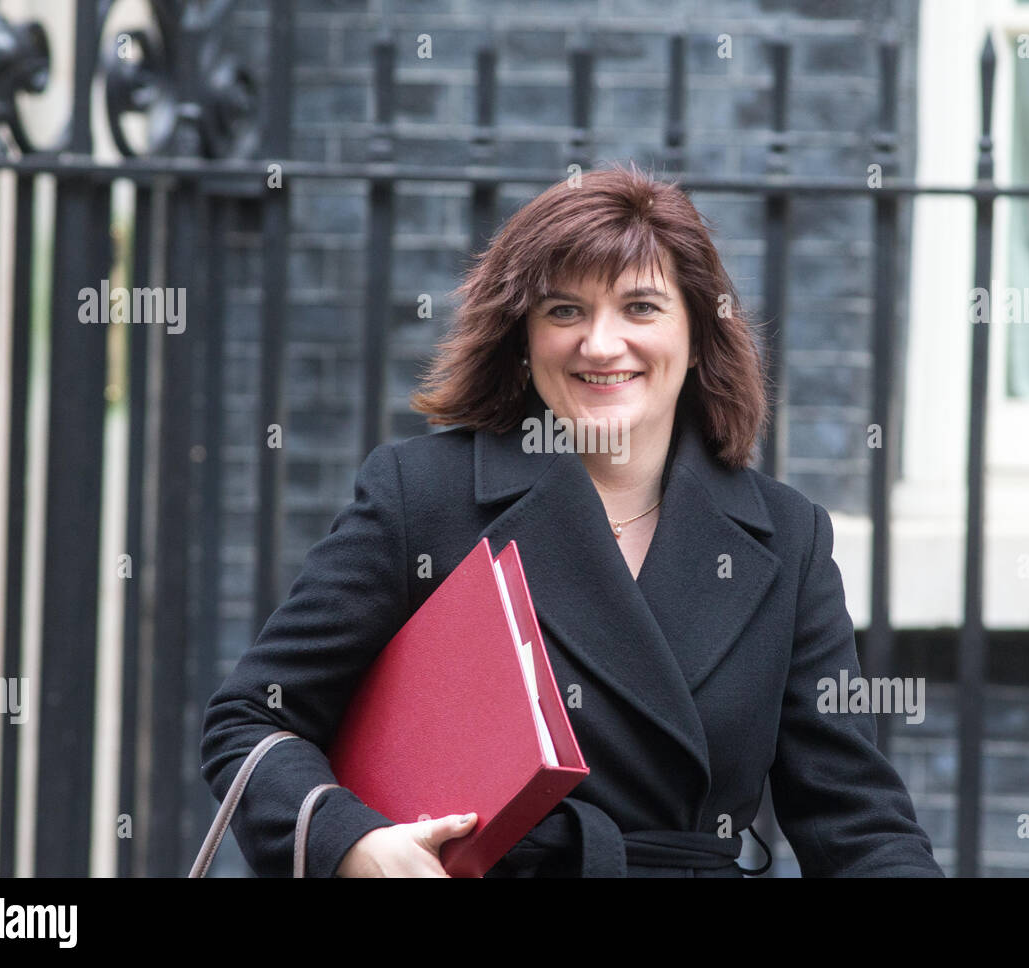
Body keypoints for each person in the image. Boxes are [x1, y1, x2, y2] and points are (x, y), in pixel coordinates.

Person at [200, 161, 943, 877]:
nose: (600, 343)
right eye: (565, 310)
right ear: (525, 338)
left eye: (641, 308)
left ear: (696, 337)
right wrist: (354, 844)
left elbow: (858, 825)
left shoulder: (787, 539)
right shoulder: (422, 497)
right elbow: (251, 719)